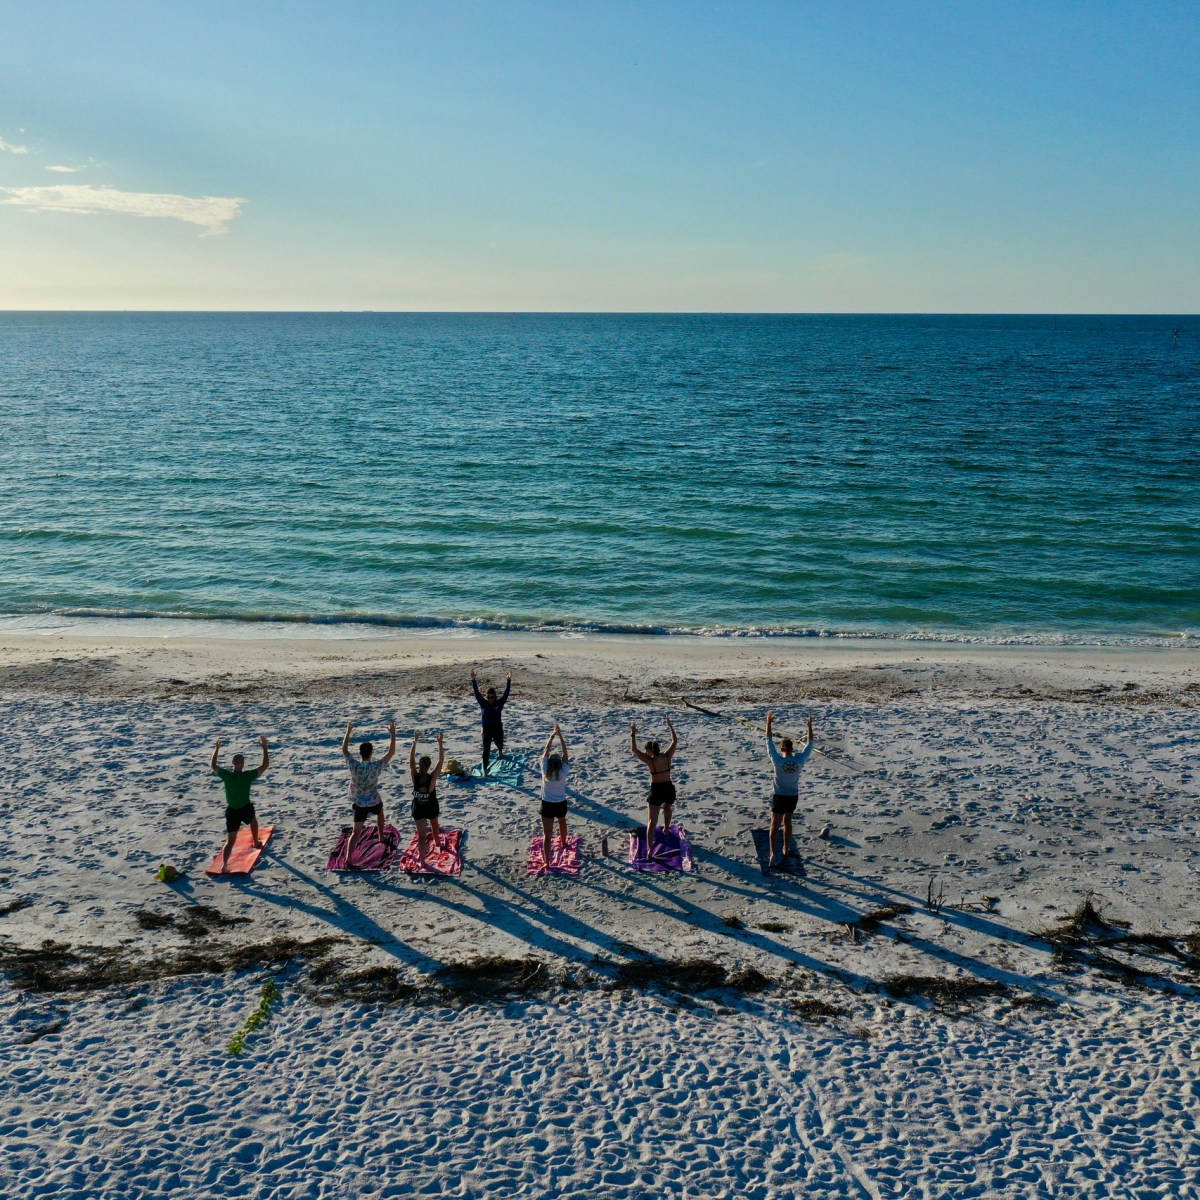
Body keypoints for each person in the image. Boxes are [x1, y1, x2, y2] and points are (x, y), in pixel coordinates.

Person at [340, 720, 397, 870]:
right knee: (380, 812)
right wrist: (393, 736)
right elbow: (391, 753)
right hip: (373, 801)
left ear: (360, 753)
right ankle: (380, 836)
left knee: (356, 832)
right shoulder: (375, 766)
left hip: (359, 804)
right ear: (371, 754)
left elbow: (344, 750)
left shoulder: (354, 765)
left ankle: (348, 858)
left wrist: (348, 731)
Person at [211, 735, 269, 873]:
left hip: (232, 811)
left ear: (232, 763)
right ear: (242, 764)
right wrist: (265, 748)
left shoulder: (227, 775)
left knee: (230, 841)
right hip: (244, 808)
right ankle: (255, 842)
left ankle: (224, 865)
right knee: (253, 821)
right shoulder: (247, 776)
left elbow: (213, 765)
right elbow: (265, 765)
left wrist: (216, 749)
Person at [765, 711, 814, 869]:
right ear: (792, 749)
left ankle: (774, 853)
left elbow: (768, 741)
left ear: (782, 749)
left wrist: (769, 723)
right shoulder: (799, 760)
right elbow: (810, 744)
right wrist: (809, 727)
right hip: (793, 796)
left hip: (780, 796)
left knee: (774, 825)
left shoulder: (777, 760)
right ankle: (786, 848)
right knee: (788, 822)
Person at [630, 718, 678, 856]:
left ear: (650, 752)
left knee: (652, 820)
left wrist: (633, 733)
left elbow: (634, 749)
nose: (646, 754)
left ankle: (650, 849)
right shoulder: (668, 756)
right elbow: (674, 742)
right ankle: (667, 829)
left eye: (647, 752)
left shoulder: (650, 761)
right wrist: (670, 727)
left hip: (657, 790)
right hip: (668, 788)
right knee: (667, 807)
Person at [409, 730, 446, 865]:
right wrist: (440, 743)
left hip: (418, 808)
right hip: (431, 807)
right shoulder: (431, 779)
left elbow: (411, 761)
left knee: (422, 836)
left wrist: (415, 741)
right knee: (435, 825)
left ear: (420, 766)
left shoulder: (415, 777)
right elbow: (441, 761)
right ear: (429, 766)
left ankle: (422, 861)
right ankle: (437, 843)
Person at [538, 724, 571, 868]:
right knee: (562, 822)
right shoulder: (563, 772)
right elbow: (565, 754)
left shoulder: (545, 770)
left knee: (547, 835)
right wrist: (561, 736)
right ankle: (564, 843)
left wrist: (552, 735)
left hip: (547, 804)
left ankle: (546, 861)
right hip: (560, 803)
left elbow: (546, 751)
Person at [470, 666, 511, 775]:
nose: (490, 699)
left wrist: (508, 680)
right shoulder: (483, 703)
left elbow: (506, 693)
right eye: (488, 697)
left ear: (495, 697)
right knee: (486, 750)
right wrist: (473, 680)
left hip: (497, 728)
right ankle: (485, 769)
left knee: (499, 743)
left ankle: (500, 751)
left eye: (492, 697)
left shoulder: (499, 703)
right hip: (486, 730)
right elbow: (476, 693)